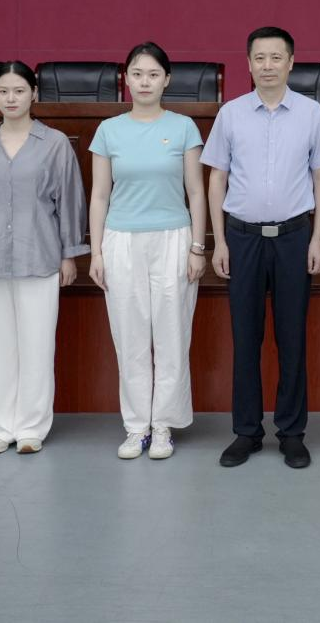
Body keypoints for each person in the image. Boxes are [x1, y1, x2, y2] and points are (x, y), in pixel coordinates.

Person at [202, 26, 320, 470]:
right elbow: (217, 178)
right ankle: (246, 431)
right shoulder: (230, 114)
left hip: (294, 237)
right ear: (248, 63)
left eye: (276, 57)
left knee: (291, 337)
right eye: (259, 58)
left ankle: (292, 433)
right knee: (246, 338)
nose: (267, 66)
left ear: (291, 62)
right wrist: (219, 241)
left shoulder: (311, 113)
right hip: (241, 238)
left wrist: (317, 239)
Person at [0, 61, 88, 455]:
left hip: (39, 256)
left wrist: (70, 254)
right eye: (4, 91)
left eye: (19, 91)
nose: (11, 98)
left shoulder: (54, 144)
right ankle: (0, 427)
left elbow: (70, 201)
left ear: (34, 94)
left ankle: (30, 428)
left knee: (37, 346)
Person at [88, 43, 207, 460]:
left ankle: (163, 426)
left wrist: (197, 247)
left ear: (166, 80)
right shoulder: (109, 130)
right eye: (137, 74)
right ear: (126, 79)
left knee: (172, 335)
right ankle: (136, 425)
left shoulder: (183, 127)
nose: (144, 82)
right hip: (121, 241)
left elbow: (196, 191)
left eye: (153, 74)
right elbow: (99, 195)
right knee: (130, 337)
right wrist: (96, 252)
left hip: (173, 238)